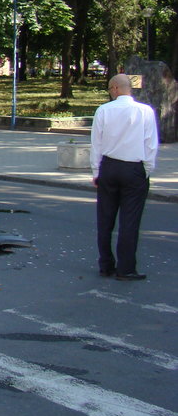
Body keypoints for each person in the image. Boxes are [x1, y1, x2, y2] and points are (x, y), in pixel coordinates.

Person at [90, 73, 158, 280]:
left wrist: (96, 171)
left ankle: (106, 265)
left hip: (109, 167)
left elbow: (96, 144)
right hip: (134, 168)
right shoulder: (145, 111)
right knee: (130, 220)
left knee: (105, 219)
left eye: (110, 89)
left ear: (115, 88)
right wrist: (147, 170)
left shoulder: (103, 110)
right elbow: (150, 144)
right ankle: (126, 268)